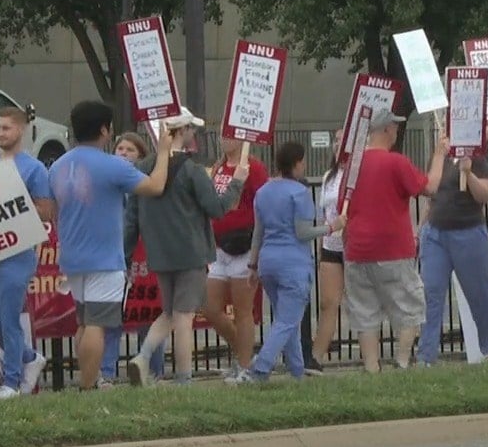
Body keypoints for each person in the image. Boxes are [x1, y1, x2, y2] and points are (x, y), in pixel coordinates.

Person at [48, 100, 173, 392]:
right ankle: (88, 386)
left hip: (72, 257)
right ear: (105, 130)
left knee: (83, 322)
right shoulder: (113, 165)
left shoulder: (57, 167)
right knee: (97, 324)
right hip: (104, 258)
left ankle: (87, 379)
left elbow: (52, 210)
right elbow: (155, 186)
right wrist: (164, 151)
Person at [125, 112, 247, 386]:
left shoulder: (142, 169)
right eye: (191, 128)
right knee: (183, 317)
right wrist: (237, 181)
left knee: (169, 312)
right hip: (191, 252)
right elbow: (216, 208)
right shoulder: (192, 170)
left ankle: (143, 357)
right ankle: (183, 378)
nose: (193, 133)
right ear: (182, 131)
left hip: (159, 252)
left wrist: (127, 254)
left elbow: (131, 217)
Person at [342, 110, 446, 373]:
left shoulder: (352, 165)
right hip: (392, 248)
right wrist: (439, 154)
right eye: (395, 127)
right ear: (386, 130)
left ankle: (371, 367)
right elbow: (430, 187)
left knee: (364, 311)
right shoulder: (396, 162)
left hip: (357, 248)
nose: (397, 132)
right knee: (410, 305)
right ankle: (401, 362)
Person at [240, 142, 344, 380]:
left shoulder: (264, 191)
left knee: (287, 320)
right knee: (287, 321)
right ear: (297, 163)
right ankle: (260, 368)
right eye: (303, 161)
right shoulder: (299, 193)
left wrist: (253, 265)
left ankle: (297, 371)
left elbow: (258, 231)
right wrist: (331, 227)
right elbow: (303, 233)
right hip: (294, 264)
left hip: (268, 262)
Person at [0, 107, 55, 398]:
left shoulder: (34, 168)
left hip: (18, 253)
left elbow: (47, 211)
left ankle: (10, 381)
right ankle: (28, 358)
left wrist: (14, 198)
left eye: (6, 128)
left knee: (9, 317)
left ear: (20, 131)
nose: (0, 133)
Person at [418, 148, 488, 366]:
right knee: (431, 295)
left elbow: (484, 195)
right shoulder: (438, 154)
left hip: (468, 232)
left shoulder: (477, 157)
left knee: (478, 295)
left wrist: (468, 174)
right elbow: (431, 196)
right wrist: (419, 230)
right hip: (435, 233)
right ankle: (426, 356)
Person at [99, 133, 167, 387]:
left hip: (145, 258)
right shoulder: (108, 184)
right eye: (119, 148)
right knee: (112, 318)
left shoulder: (147, 184)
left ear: (141, 156)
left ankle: (152, 370)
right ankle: (107, 373)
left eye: (130, 149)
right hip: (114, 258)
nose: (123, 153)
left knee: (148, 317)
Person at [204, 136, 270, 379]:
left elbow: (263, 203)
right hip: (219, 247)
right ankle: (245, 352)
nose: (224, 140)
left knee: (243, 311)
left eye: (229, 135)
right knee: (210, 308)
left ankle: (244, 366)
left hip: (244, 246)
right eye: (222, 135)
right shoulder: (219, 167)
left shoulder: (254, 167)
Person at [311, 146, 346, 374]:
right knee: (327, 303)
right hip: (332, 245)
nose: (337, 145)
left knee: (361, 303)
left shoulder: (358, 173)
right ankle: (316, 358)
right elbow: (324, 213)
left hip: (355, 245)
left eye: (342, 140)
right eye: (335, 140)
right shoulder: (328, 176)